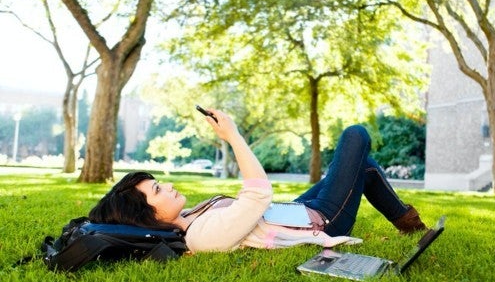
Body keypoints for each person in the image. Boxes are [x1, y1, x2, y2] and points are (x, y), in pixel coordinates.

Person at [89, 109, 427, 253]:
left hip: (298, 209)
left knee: (364, 168)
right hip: (322, 220)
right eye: (158, 190)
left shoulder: (188, 219)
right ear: (148, 216)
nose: (168, 186)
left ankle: (407, 224)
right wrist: (233, 136)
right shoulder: (201, 237)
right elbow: (257, 195)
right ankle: (407, 222)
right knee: (355, 136)